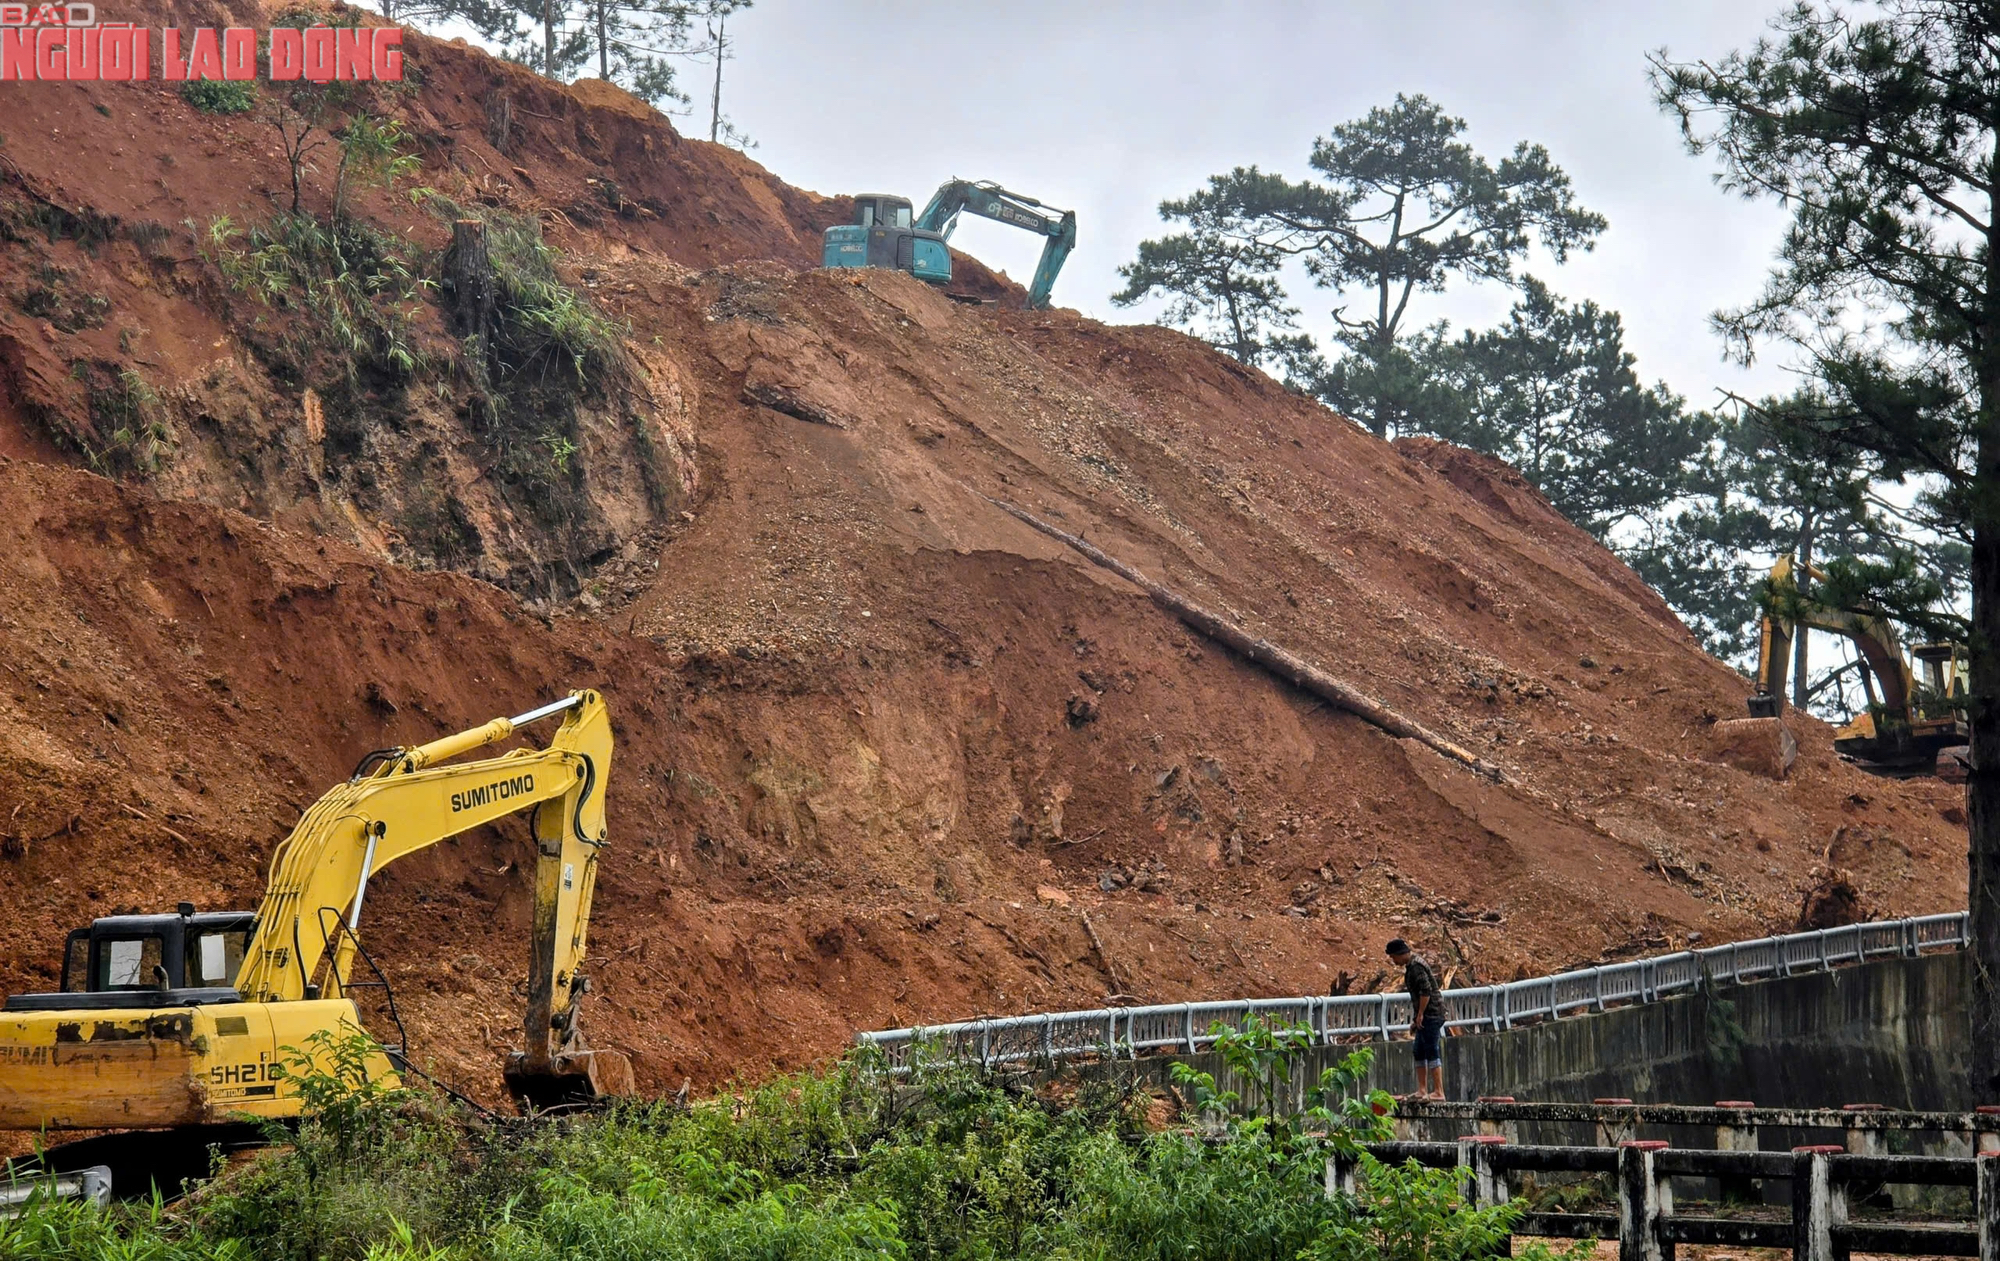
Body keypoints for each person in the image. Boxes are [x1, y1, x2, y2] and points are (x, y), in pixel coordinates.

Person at [1387, 938, 1447, 1100]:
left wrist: (1420, 1014)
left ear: (1400, 953)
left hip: (1432, 1013)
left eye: (1393, 957)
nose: (1393, 961)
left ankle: (1439, 1091)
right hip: (1425, 1015)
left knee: (1431, 1049)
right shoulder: (1412, 965)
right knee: (1419, 1050)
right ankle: (1422, 1089)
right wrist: (1416, 1019)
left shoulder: (1416, 966)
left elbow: (1426, 991)